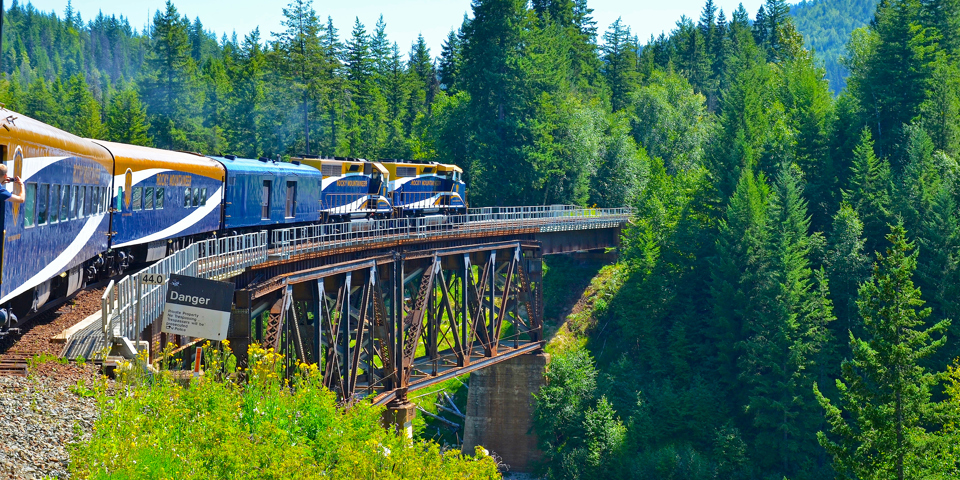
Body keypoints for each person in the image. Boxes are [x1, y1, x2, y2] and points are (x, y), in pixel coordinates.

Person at [0, 164, 25, 230]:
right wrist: (21, 184)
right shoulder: (1, 191)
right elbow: (21, 199)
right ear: (5, 176)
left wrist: (1, 184)